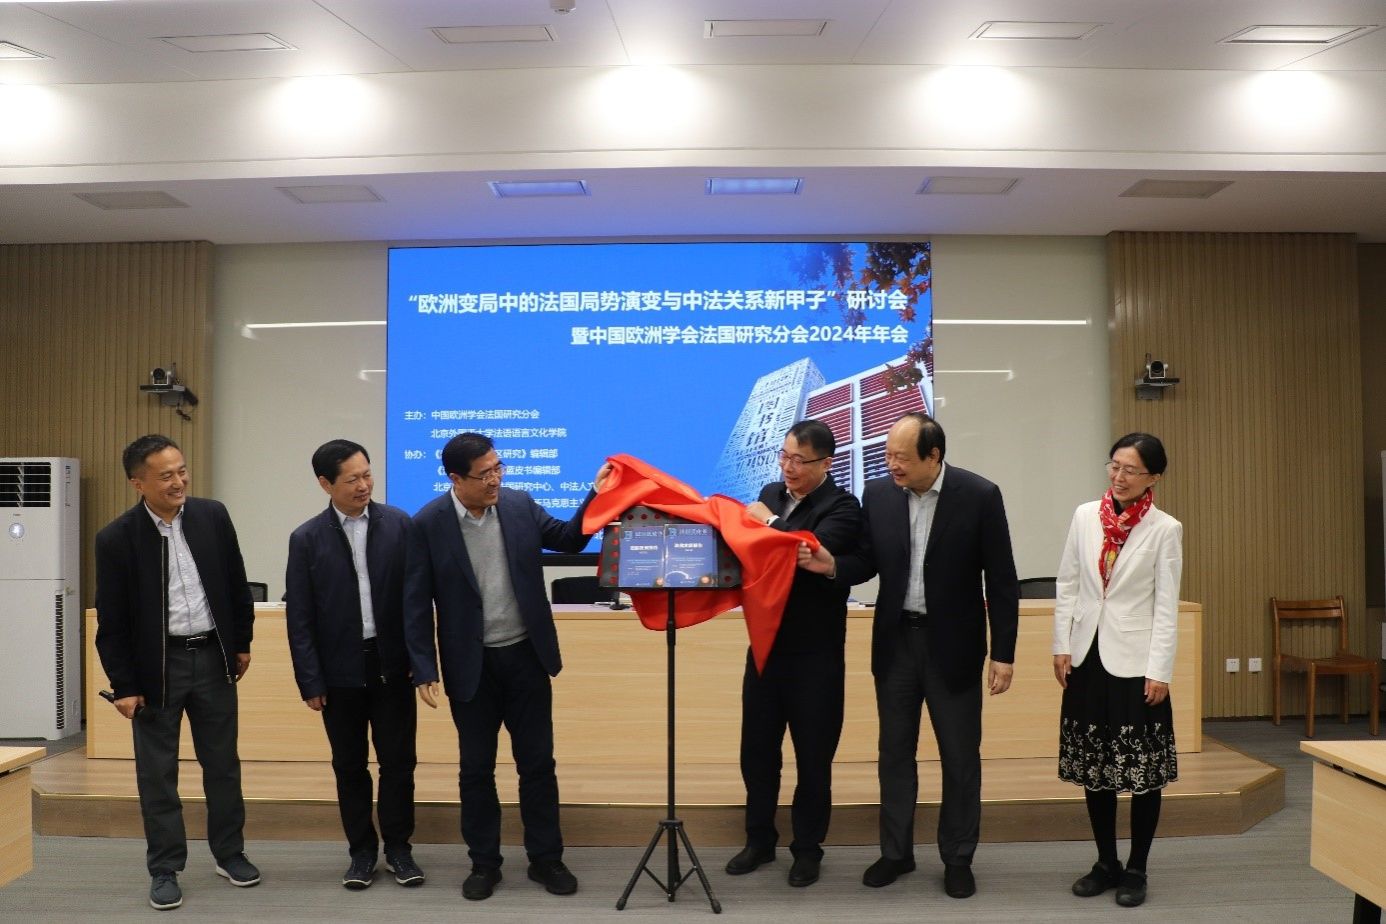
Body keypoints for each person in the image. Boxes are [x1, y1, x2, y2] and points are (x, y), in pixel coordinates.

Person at [798, 412, 1018, 898]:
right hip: (896, 642)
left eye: (901, 457)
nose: (891, 464)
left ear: (933, 456)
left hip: (953, 646)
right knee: (894, 753)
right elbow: (866, 562)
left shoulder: (979, 495)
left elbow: (1001, 578)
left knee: (959, 757)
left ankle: (957, 857)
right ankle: (896, 852)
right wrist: (831, 565)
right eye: (887, 454)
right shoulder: (879, 494)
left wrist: (1003, 652)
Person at [403, 432, 611, 902]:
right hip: (471, 665)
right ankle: (484, 863)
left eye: (498, 468)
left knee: (537, 764)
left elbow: (569, 539)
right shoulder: (428, 523)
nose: (496, 479)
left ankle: (546, 859)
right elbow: (414, 601)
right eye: (485, 474)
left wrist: (596, 494)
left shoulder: (518, 504)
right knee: (476, 769)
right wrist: (423, 666)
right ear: (456, 479)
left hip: (525, 657)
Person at [94, 435, 259, 911]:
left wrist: (241, 642)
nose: (178, 482)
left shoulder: (212, 516)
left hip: (212, 657)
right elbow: (112, 620)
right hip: (157, 668)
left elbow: (236, 583)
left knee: (222, 765)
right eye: (165, 475)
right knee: (158, 774)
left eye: (181, 471)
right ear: (138, 483)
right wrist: (124, 685)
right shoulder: (117, 539)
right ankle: (165, 868)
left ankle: (230, 853)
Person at [285, 439, 423, 890]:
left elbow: (416, 600)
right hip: (339, 671)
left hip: (392, 664)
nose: (364, 485)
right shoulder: (307, 539)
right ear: (326, 484)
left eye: (367, 475)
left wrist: (419, 659)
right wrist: (310, 679)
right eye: (352, 479)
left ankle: (399, 850)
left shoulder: (399, 525)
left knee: (399, 763)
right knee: (349, 766)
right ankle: (361, 853)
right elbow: (300, 616)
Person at [730, 420, 863, 887]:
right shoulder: (771, 492)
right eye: (784, 456)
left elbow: (805, 550)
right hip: (766, 648)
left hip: (815, 656)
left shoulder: (842, 506)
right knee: (757, 752)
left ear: (826, 463)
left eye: (799, 461)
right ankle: (759, 840)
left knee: (813, 758)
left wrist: (767, 523)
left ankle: (807, 849)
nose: (788, 468)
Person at [1052, 433, 1182, 909]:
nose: (1119, 477)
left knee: (1141, 770)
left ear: (1153, 478)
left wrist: (1160, 670)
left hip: (1136, 663)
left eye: (1130, 470)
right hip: (1087, 656)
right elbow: (1068, 583)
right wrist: (1061, 643)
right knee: (1097, 767)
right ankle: (1106, 861)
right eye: (1114, 466)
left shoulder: (1165, 529)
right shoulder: (1085, 515)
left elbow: (1165, 606)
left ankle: (1137, 867)